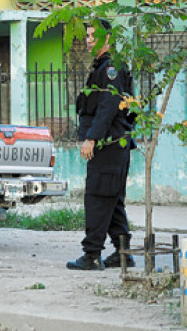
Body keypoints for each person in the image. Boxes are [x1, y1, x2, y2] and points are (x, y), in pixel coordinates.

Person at [67, 19, 136, 271]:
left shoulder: (111, 68)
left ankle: (92, 255)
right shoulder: (106, 66)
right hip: (114, 145)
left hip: (108, 145)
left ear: (108, 38)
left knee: (97, 197)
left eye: (93, 35)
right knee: (112, 199)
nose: (88, 40)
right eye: (87, 35)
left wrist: (92, 137)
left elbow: (107, 107)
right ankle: (123, 252)